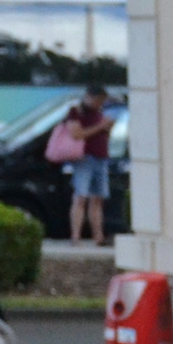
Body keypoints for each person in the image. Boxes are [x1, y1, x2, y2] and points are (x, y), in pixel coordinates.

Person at [60, 84, 116, 243]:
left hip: (101, 157)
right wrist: (100, 127)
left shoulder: (99, 113)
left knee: (98, 198)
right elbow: (77, 134)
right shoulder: (76, 112)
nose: (99, 104)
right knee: (81, 197)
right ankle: (75, 235)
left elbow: (103, 134)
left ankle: (98, 235)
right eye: (98, 100)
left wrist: (107, 129)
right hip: (84, 158)